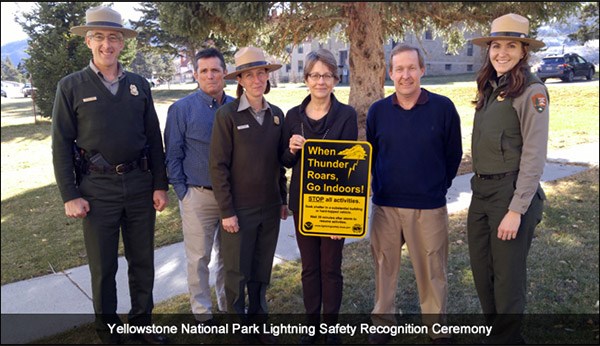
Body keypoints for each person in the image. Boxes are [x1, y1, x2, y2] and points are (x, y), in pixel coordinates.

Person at [51, 6, 168, 345]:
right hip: (96, 188)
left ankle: (143, 325)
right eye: (99, 37)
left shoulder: (138, 85)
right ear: (88, 41)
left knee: (142, 262)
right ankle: (110, 333)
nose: (107, 44)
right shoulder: (71, 86)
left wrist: (160, 184)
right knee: (104, 269)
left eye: (113, 37)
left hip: (139, 185)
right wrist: (70, 194)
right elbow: (61, 143)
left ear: (122, 43)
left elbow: (153, 138)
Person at [366, 44, 462, 345]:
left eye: (411, 68)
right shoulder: (378, 111)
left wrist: (436, 186)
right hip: (386, 206)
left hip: (428, 206)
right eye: (399, 69)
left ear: (422, 69)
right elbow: (373, 153)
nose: (405, 75)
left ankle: (436, 328)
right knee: (384, 267)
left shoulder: (443, 108)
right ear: (390, 72)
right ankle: (382, 322)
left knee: (433, 269)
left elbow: (453, 155)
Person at [468, 13, 548, 344]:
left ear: (523, 51)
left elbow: (534, 154)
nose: (502, 52)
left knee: (507, 278)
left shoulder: (531, 92)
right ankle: (497, 334)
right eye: (496, 45)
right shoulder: (488, 86)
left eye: (511, 45)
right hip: (481, 191)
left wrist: (516, 209)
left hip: (510, 192)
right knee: (482, 272)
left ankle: (508, 338)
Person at [209, 46, 288, 344]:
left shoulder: (277, 116)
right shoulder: (226, 116)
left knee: (260, 270)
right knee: (235, 273)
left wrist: (282, 199)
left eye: (262, 73)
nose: (257, 80)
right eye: (250, 74)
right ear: (240, 80)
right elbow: (218, 167)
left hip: (269, 209)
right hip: (238, 212)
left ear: (268, 77)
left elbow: (279, 164)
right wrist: (226, 211)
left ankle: (259, 322)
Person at [280, 49, 358, 345]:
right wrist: (291, 149)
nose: (320, 81)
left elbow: (351, 166)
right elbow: (284, 162)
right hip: (304, 204)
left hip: (335, 205)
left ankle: (330, 326)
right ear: (306, 79)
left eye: (327, 75)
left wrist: (345, 216)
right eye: (315, 75)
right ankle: (312, 325)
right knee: (310, 267)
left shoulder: (346, 115)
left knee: (331, 267)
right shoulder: (293, 116)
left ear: (335, 79)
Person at [164, 48, 232, 325]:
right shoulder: (181, 109)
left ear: (225, 73)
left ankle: (230, 305)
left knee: (229, 258)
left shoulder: (236, 108)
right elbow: (173, 154)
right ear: (195, 75)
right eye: (203, 70)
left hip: (231, 197)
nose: (210, 75)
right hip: (197, 195)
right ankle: (202, 313)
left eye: (215, 69)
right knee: (198, 257)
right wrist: (183, 192)